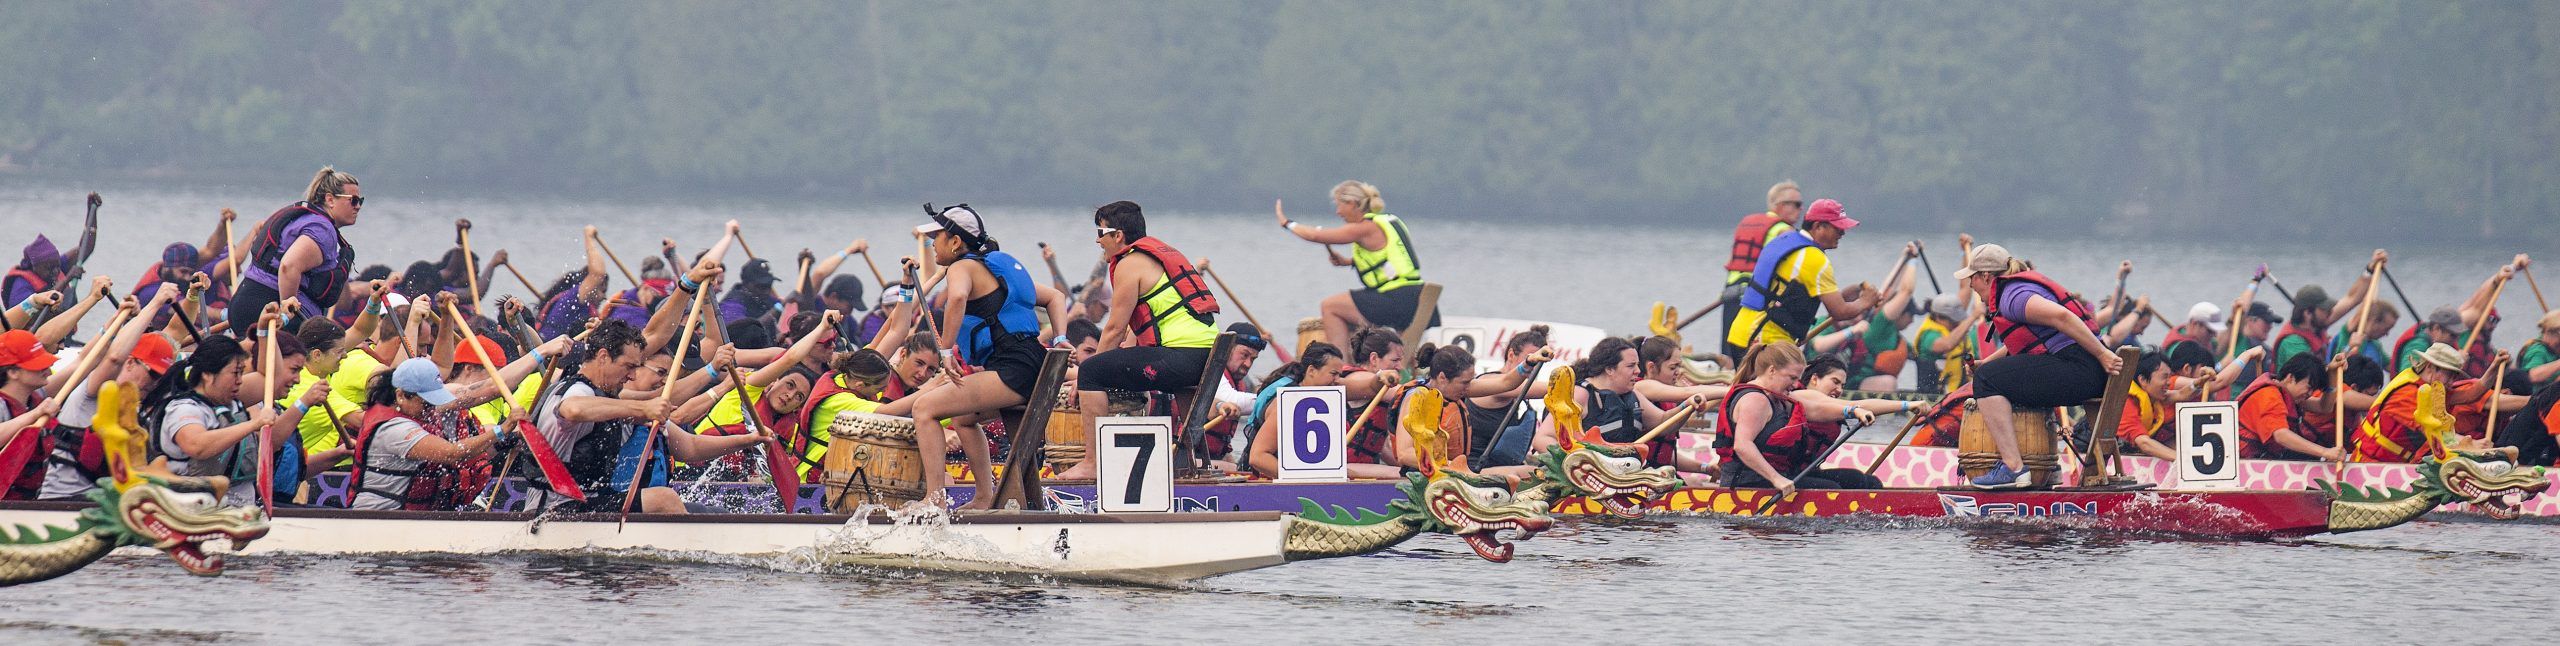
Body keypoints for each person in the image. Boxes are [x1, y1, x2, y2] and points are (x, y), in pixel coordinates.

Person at [905, 204, 1065, 507]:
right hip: (1031, 363)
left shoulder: (961, 267)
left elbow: (957, 298)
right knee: (964, 418)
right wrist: (1060, 337)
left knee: (924, 408)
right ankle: (983, 495)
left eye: (936, 237)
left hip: (1014, 368)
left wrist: (946, 350)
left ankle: (934, 499)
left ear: (955, 241)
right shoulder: (992, 267)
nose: (932, 244)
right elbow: (1056, 297)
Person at [1067, 201, 1221, 480]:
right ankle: (1193, 468)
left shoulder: (1129, 263)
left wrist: (1088, 375)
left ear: (1118, 236)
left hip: (1181, 357)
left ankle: (1092, 462)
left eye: (1101, 232)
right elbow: (1143, 323)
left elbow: (1113, 328)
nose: (1097, 239)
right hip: (1205, 356)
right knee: (1111, 365)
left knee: (1090, 371)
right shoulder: (1156, 258)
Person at [1955, 244, 2120, 489]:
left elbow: (2062, 317)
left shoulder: (2013, 296)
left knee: (1986, 381)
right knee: (1993, 375)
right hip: (2086, 369)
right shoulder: (2016, 291)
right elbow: (2025, 343)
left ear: (1986, 276)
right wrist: (1986, 363)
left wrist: (2103, 354)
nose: (1970, 285)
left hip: (2081, 369)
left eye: (1972, 278)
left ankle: (2014, 469)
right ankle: (2048, 468)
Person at [39, 294, 174, 499]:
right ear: (130, 363)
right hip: (62, 500)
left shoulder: (135, 406)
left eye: (161, 379)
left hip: (106, 501)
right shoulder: (94, 391)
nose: (155, 383)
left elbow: (176, 332)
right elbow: (113, 357)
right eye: (153, 374)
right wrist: (154, 304)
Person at [1274, 181, 1435, 349]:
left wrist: (1287, 223)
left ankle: (1340, 367)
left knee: (1330, 307)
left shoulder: (1364, 228)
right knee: (1403, 354)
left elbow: (1315, 235)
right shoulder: (1387, 221)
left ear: (1352, 204)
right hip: (1414, 295)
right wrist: (1348, 262)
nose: (1338, 212)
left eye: (1339, 206)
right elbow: (1391, 259)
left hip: (1396, 299)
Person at [140, 335, 297, 505]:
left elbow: (273, 378)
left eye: (241, 373)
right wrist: (253, 424)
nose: (240, 381)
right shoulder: (184, 408)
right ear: (207, 374)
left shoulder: (227, 400)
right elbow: (197, 445)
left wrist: (265, 331)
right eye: (235, 373)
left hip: (232, 509)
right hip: (187, 510)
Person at [1715, 342, 1880, 494]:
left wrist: (1854, 411)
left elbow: (1824, 408)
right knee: (1830, 490)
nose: (1795, 385)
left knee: (1857, 480)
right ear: (1772, 370)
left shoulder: (1776, 398)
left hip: (1772, 476)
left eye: (1797, 379)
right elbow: (1742, 445)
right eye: (1792, 378)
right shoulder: (1755, 400)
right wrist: (1776, 479)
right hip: (1746, 483)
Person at [1726, 199, 1876, 361]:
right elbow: (1840, 312)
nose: (1842, 233)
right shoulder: (1815, 258)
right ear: (1818, 226)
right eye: (1838, 228)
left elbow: (1799, 291)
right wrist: (1866, 302)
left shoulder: (1786, 240)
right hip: (1764, 342)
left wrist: (1850, 293)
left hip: (1741, 333)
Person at [348, 359, 505, 510]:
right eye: (426, 403)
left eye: (433, 402)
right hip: (376, 518)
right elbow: (453, 453)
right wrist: (503, 429)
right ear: (401, 395)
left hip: (405, 516)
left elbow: (490, 388)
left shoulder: (412, 410)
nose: (431, 409)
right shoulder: (395, 429)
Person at [1535, 337, 1710, 469]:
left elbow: (1663, 422)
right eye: (1631, 366)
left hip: (1620, 478)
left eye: (1637, 365)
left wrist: (1685, 407)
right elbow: (1542, 439)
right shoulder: (1580, 395)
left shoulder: (1632, 395)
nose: (1638, 371)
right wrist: (1580, 463)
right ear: (1610, 369)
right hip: (1582, 479)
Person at [233, 167, 362, 332]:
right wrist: (287, 313)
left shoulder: (305, 219)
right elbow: (289, 266)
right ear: (330, 200)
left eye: (360, 201)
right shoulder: (322, 229)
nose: (358, 206)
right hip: (268, 308)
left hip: (242, 303)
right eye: (353, 200)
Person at [1242, 342, 1349, 478]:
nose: (1338, 381)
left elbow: (1366, 387)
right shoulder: (1287, 403)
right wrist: (1300, 480)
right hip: (1261, 479)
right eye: (1334, 374)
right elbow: (1257, 457)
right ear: (1311, 371)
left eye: (1340, 375)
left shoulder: (1321, 398)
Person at [1721, 182, 1804, 351]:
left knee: (1730, 347)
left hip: (1731, 291)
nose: (1800, 209)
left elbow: (1731, 260)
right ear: (1779, 205)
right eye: (1796, 204)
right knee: (1754, 348)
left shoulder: (1748, 223)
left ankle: (1726, 370)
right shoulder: (1784, 230)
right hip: (1756, 296)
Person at [2354, 343, 2469, 463]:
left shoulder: (2430, 388)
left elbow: (2470, 394)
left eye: (2454, 378)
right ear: (2430, 367)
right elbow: (2433, 431)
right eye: (2449, 375)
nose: (2451, 383)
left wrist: (2491, 370)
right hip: (2368, 463)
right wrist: (2469, 444)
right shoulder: (2407, 392)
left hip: (2395, 464)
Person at [1461, 326, 1553, 469]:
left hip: (1501, 466)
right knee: (1534, 474)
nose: (1534, 367)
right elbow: (1520, 386)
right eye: (1530, 359)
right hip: (1472, 466)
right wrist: (1577, 386)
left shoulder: (1520, 396)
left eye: (1538, 363)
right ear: (1511, 355)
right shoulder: (1491, 380)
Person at [2237, 354, 2346, 461]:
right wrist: (2325, 452)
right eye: (2309, 387)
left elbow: (2324, 407)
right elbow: (2281, 435)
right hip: (2245, 463)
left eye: (2313, 390)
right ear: (2290, 378)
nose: (2310, 393)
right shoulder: (2269, 395)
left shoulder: (2288, 395)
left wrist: (2332, 373)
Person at [2109, 354, 2178, 461]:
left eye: (2170, 377)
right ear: (2143, 380)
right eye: (2164, 377)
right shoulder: (2126, 401)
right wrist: (2184, 461)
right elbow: (2144, 443)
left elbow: (2184, 393)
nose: (2169, 382)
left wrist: (2201, 381)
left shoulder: (2154, 399)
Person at [1913, 292, 1981, 394]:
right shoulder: (1929, 335)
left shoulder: (1953, 329)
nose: (1958, 323)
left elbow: (1965, 290)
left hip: (1958, 392)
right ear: (1938, 317)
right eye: (1954, 321)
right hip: (1933, 397)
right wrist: (1974, 316)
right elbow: (1947, 345)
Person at [2522, 310, 2560, 386]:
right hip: (2534, 396)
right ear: (2549, 332)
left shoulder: (2553, 348)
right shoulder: (2538, 351)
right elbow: (2533, 376)